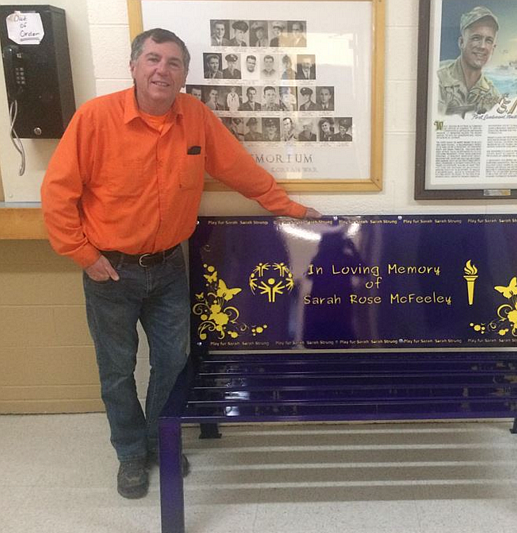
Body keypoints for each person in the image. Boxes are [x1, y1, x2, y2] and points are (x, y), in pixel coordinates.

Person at [40, 28, 319, 501]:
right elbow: (57, 195)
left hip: (170, 267)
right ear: (133, 67)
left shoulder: (195, 117)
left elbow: (238, 168)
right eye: (152, 59)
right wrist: (85, 257)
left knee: (173, 361)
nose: (161, 70)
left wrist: (287, 207)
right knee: (116, 369)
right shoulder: (94, 118)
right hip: (110, 271)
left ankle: (158, 442)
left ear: (184, 75)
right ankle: (130, 454)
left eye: (173, 63)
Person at [438, 6, 502, 117]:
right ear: (461, 42)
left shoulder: (493, 96)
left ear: (493, 48)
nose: (482, 46)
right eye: (476, 38)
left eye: (488, 40)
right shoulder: (438, 77)